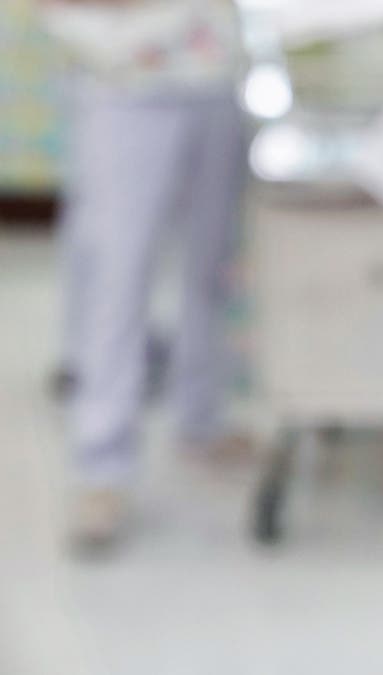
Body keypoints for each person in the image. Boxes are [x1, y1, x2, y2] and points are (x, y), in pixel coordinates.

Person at [41, 0, 250, 553]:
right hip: (125, 88)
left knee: (211, 269)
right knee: (119, 280)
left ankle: (201, 420)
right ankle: (102, 470)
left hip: (215, 80)